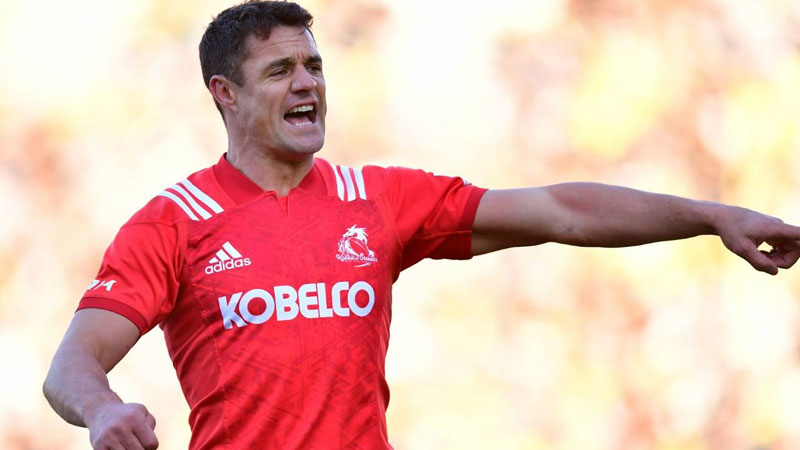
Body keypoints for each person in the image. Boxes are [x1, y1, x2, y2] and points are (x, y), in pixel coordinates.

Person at [42, 1, 800, 449]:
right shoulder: (176, 222)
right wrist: (104, 411)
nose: (307, 84)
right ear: (225, 94)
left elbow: (559, 211)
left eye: (313, 67)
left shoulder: (378, 198)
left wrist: (713, 216)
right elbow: (70, 366)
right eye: (280, 71)